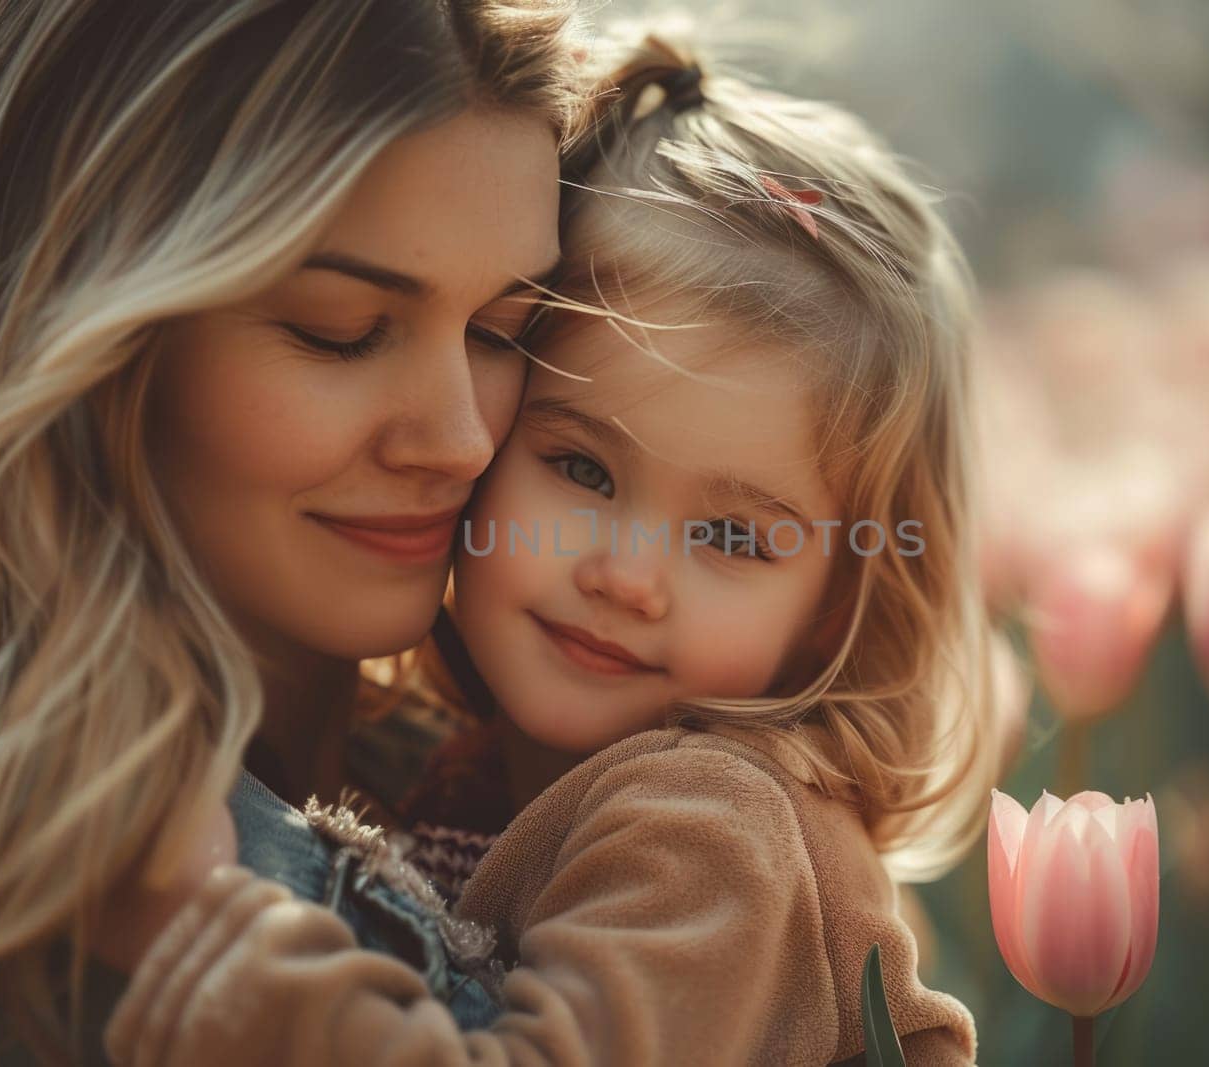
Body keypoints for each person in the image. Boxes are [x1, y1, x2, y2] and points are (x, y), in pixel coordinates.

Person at [103, 35, 997, 1066]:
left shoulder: (711, 823)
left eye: (731, 536)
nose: (623, 574)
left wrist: (255, 977)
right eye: (581, 470)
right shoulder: (475, 777)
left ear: (837, 606)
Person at [0, 1, 581, 1063]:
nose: (459, 441)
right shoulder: (23, 950)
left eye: (504, 329)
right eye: (337, 332)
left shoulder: (548, 789)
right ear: (67, 328)